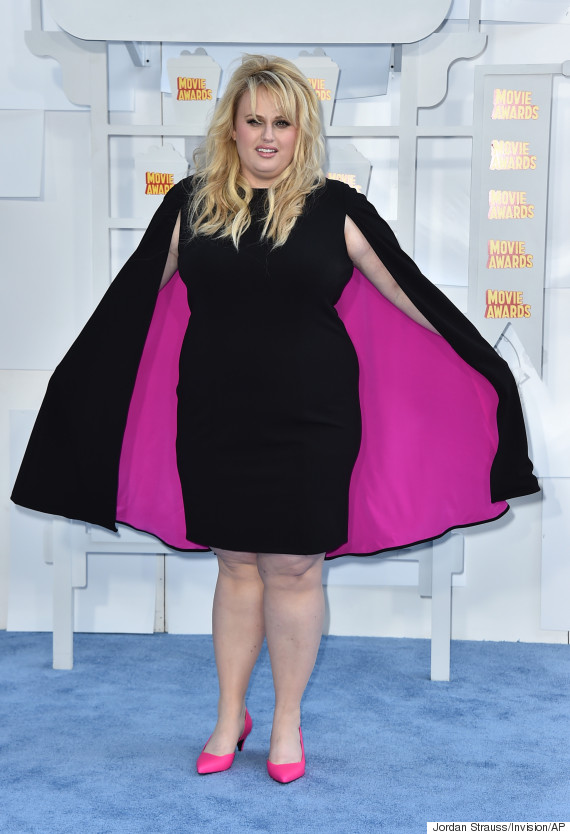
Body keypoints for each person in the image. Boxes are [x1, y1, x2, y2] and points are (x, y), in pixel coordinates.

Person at [11, 55, 539, 784]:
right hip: (214, 414)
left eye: (281, 123)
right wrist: (78, 385)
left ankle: (286, 719)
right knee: (233, 564)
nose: (267, 136)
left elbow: (410, 292)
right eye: (253, 120)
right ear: (231, 125)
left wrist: (486, 364)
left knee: (292, 567)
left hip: (312, 420)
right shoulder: (191, 204)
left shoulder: (336, 209)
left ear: (302, 131)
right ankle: (231, 714)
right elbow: (130, 302)